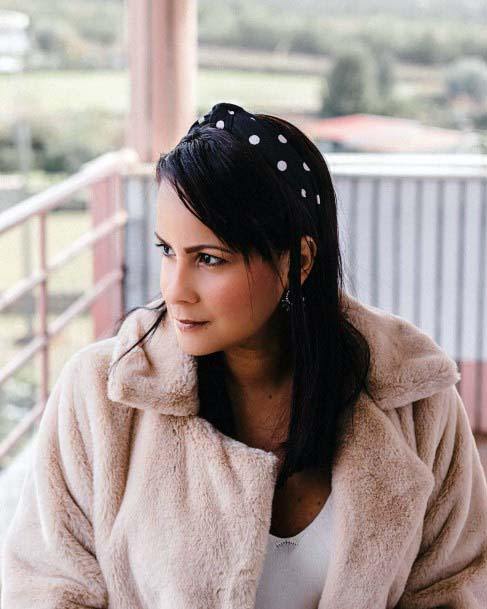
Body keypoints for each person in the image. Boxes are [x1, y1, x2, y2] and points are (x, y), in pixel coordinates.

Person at [2, 102, 487, 609]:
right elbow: (48, 588)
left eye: (210, 259)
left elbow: (455, 586)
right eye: (167, 251)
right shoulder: (101, 397)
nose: (176, 290)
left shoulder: (416, 400)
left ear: (299, 259)